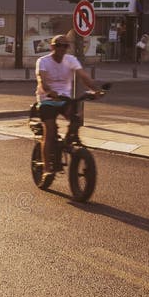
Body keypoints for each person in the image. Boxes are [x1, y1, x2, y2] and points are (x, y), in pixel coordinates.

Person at [35, 34, 103, 187]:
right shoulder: (43, 61)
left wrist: (95, 90)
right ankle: (47, 169)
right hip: (47, 100)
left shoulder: (70, 60)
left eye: (65, 45)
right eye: (58, 45)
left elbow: (83, 76)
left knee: (76, 119)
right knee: (50, 132)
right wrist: (49, 91)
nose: (61, 48)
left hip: (64, 99)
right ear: (52, 46)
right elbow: (42, 81)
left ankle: (69, 145)